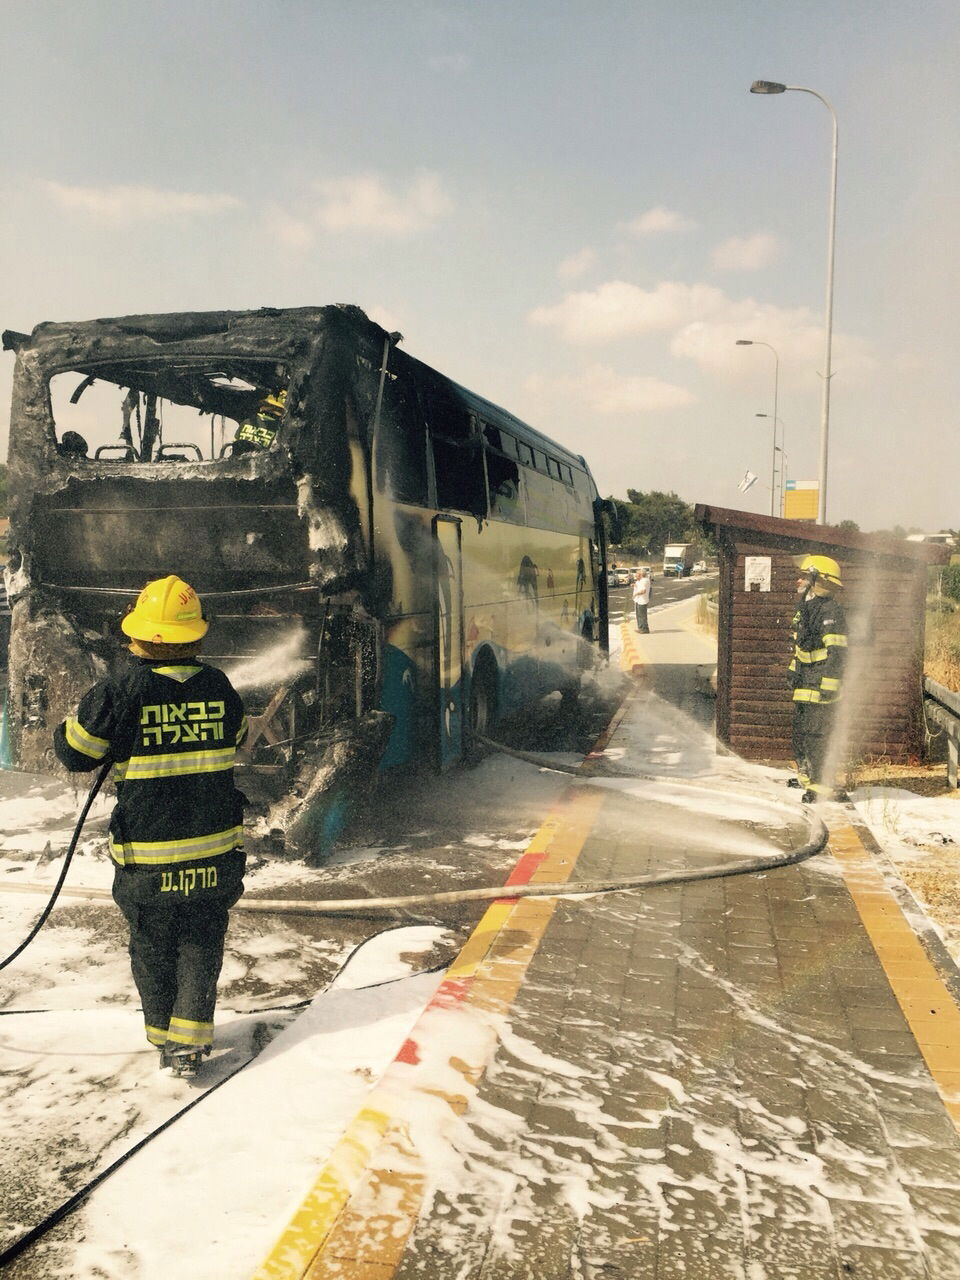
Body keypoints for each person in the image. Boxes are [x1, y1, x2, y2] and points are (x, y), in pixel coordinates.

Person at [53, 575, 248, 1077]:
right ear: (197, 637)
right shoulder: (220, 686)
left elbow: (76, 753)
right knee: (202, 937)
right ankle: (189, 1039)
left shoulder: (119, 691)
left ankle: (165, 1037)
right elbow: (239, 735)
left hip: (150, 857)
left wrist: (70, 725)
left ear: (142, 639)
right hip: (214, 853)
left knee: (151, 940)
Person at [788, 554, 848, 803]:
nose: (799, 581)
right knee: (800, 733)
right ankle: (807, 776)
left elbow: (837, 653)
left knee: (816, 735)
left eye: (804, 576)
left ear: (817, 580)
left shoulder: (829, 611)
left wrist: (828, 685)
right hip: (805, 685)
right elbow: (801, 648)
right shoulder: (806, 608)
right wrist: (792, 670)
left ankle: (821, 785)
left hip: (820, 687)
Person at [632, 567, 652, 633]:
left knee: (642, 616)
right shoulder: (640, 581)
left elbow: (643, 590)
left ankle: (645, 629)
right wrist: (634, 585)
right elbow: (640, 586)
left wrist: (636, 594)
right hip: (639, 600)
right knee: (639, 615)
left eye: (638, 574)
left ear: (641, 574)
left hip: (642, 601)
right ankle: (640, 628)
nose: (636, 575)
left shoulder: (644, 580)